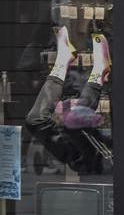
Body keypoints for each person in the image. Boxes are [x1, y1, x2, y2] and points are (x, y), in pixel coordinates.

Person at [25, 27, 113, 175]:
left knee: (38, 120)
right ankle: (97, 70)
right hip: (92, 159)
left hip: (89, 159)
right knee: (60, 118)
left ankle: (92, 69)